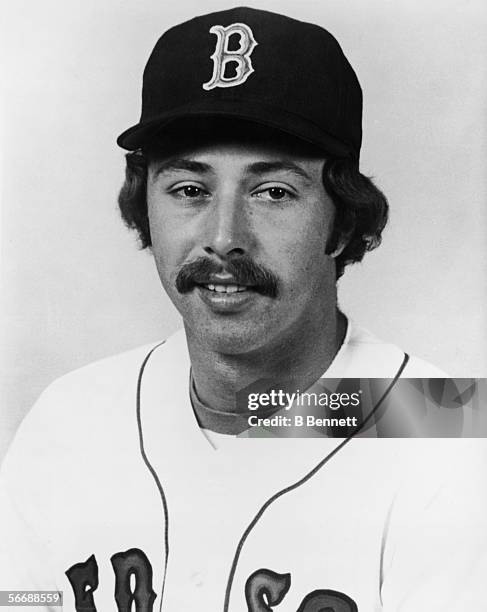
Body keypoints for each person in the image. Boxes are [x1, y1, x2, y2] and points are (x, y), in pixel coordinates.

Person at [0, 7, 485, 611]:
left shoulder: (452, 430)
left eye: (273, 191)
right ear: (144, 205)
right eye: (189, 190)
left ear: (341, 221)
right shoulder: (70, 419)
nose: (225, 236)